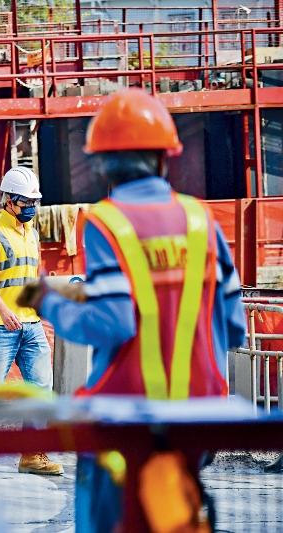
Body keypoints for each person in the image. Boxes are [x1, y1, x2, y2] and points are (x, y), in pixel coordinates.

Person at [18, 89, 247, 531]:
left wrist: (49, 302)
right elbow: (234, 327)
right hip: (200, 416)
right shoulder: (201, 219)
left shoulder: (109, 222)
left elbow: (113, 322)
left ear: (102, 165)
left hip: (125, 418)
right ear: (166, 157)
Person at [0, 167, 62, 475]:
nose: (30, 208)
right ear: (8, 201)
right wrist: (5, 311)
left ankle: (32, 454)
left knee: (42, 386)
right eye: (24, 202)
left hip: (30, 324)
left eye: (33, 202)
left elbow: (27, 279)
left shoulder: (31, 234)